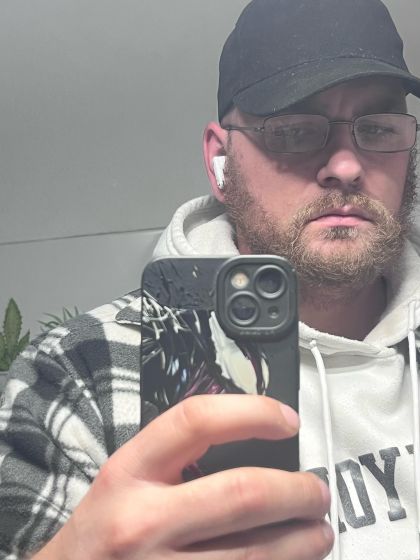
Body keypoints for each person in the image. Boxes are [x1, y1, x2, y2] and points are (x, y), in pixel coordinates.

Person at [1, 0, 420, 558]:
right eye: (294, 131)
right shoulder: (77, 376)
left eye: (379, 127)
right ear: (221, 162)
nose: (345, 166)